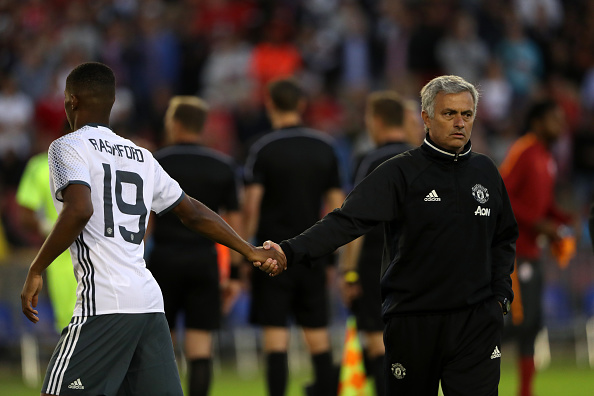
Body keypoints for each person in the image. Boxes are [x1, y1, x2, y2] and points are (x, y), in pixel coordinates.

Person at [20, 62, 285, 396]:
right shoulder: (140, 155)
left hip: (104, 302)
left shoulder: (66, 146)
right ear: (112, 103)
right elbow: (193, 212)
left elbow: (79, 209)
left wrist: (36, 267)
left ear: (71, 101)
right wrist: (249, 249)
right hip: (148, 303)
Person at [262, 75, 519, 395]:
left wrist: (500, 294)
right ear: (426, 118)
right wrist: (290, 251)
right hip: (414, 321)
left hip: (476, 322)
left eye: (466, 115)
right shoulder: (399, 172)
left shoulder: (486, 171)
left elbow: (504, 237)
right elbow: (346, 221)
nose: (459, 122)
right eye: (448, 113)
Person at [242, 78, 345, 396]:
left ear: (270, 104)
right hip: (313, 253)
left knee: (276, 337)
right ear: (301, 105)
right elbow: (337, 207)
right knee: (318, 336)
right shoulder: (324, 146)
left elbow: (251, 208)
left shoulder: (262, 148)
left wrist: (245, 255)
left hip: (271, 254)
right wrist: (333, 257)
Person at [147, 95, 243, 396]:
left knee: (159, 347)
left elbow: (144, 222)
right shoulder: (223, 166)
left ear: (174, 124)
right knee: (201, 349)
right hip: (205, 261)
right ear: (201, 126)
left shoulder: (154, 162)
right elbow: (233, 225)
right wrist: (235, 276)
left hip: (164, 259)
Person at [339, 90, 417, 396]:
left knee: (376, 340)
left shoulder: (369, 161)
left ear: (377, 120)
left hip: (375, 263)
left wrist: (348, 272)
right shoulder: (421, 158)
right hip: (417, 262)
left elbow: (353, 222)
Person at [499, 99, 573, 396]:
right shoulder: (524, 151)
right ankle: (465, 356)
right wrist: (539, 224)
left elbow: (545, 205)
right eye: (554, 119)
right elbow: (502, 194)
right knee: (517, 322)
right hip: (514, 251)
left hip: (534, 251)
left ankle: (525, 392)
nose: (561, 125)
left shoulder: (547, 157)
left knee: (532, 325)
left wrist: (563, 220)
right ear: (538, 122)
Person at [16, 141, 78, 333]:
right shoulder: (41, 166)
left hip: (91, 257)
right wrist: (53, 227)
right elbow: (25, 216)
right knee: (72, 329)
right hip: (64, 260)